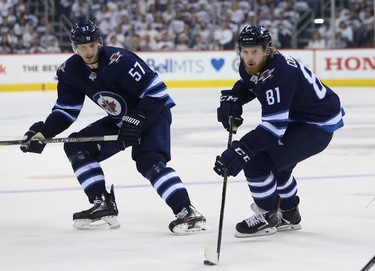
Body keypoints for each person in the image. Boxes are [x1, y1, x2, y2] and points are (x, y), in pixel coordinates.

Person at [20, 20, 209, 234]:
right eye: (83, 47)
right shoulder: (70, 71)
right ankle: (102, 203)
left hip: (153, 115)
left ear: (99, 42)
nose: (89, 51)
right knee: (76, 146)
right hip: (121, 120)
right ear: (75, 48)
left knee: (149, 161)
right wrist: (43, 132)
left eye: (92, 45)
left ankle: (187, 212)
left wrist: (136, 120)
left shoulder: (120, 60)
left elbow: (158, 94)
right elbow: (66, 111)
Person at [214, 25, 345, 238]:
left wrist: (241, 149)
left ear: (267, 50)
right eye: (245, 51)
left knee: (257, 161)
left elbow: (274, 129)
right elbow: (250, 84)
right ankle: (290, 213)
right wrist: (235, 97)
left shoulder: (278, 76)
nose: (249, 57)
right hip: (304, 118)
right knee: (280, 166)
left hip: (316, 126)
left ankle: (267, 215)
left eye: (255, 51)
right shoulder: (256, 65)